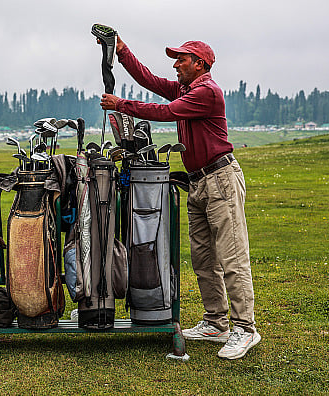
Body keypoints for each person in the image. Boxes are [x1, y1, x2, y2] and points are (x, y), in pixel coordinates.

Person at [100, 35, 259, 360]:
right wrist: (122, 51)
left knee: (231, 257)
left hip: (221, 180)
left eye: (181, 59)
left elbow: (167, 112)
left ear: (199, 64)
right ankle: (216, 323)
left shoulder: (206, 92)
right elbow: (149, 80)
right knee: (203, 259)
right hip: (198, 182)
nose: (174, 65)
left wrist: (122, 105)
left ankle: (245, 328)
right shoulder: (187, 89)